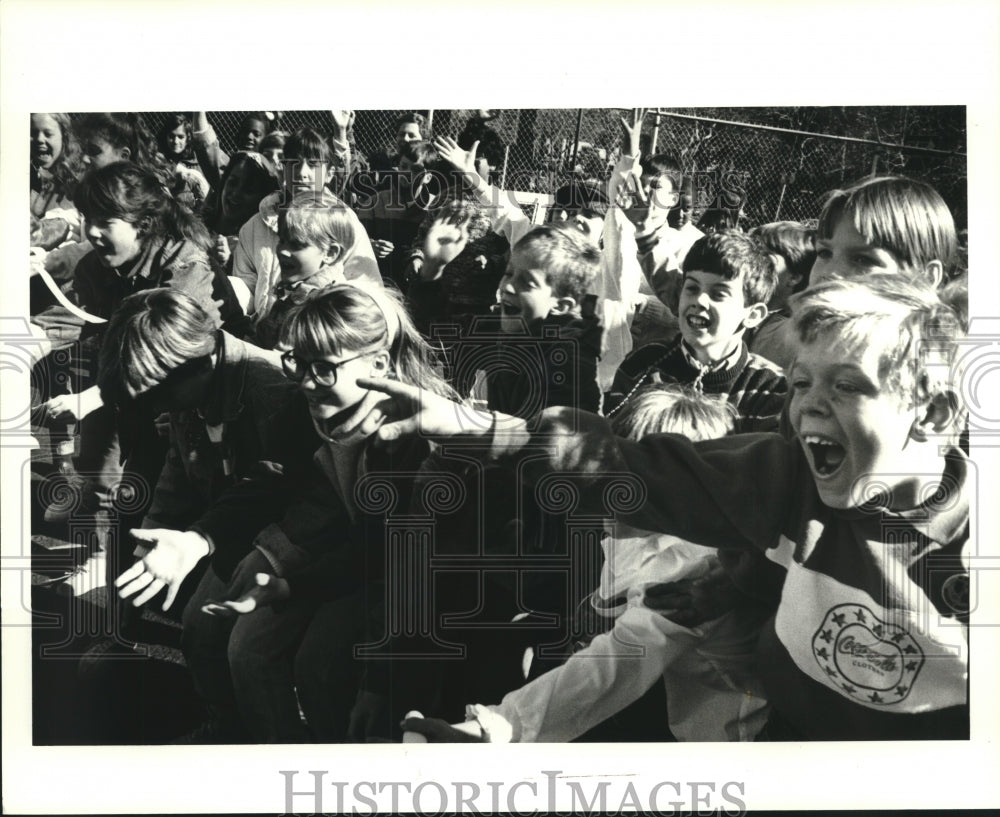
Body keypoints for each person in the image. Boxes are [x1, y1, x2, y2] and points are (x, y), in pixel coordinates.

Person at [360, 272, 969, 742]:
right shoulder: (786, 479)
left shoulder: (972, 556)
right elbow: (635, 472)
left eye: (846, 385)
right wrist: (486, 430)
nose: (808, 406)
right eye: (800, 383)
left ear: (934, 413)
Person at [147, 282, 459, 742]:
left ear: (379, 363)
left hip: (420, 598)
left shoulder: (414, 443)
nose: (308, 381)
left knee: (322, 667)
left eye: (325, 368)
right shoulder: (309, 410)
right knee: (260, 651)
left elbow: (408, 572)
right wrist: (204, 540)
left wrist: (379, 679)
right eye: (299, 363)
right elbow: (275, 484)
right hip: (355, 565)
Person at [403, 384, 770, 743]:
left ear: (673, 494)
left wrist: (497, 726)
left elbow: (612, 668)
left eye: (628, 478)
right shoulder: (630, 532)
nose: (602, 486)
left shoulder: (691, 570)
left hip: (722, 747)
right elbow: (608, 612)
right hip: (660, 709)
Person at [100, 288, 295, 615]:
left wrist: (198, 540)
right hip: (231, 532)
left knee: (235, 648)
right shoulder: (189, 378)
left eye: (159, 396)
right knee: (199, 633)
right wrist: (144, 549)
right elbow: (177, 469)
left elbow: (269, 490)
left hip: (287, 545)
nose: (158, 408)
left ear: (202, 364)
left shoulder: (276, 393)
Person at [607, 230, 787, 434]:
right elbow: (616, 442)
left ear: (753, 315)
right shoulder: (643, 364)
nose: (699, 300)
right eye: (692, 288)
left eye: (719, 294)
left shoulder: (767, 387)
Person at [230, 126, 381, 321]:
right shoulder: (255, 226)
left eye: (313, 164)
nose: (302, 173)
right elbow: (247, 287)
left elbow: (367, 287)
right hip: (266, 335)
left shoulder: (344, 222)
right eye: (294, 163)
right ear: (283, 170)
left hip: (324, 331)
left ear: (329, 173)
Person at [251, 190, 358, 349]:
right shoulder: (295, 291)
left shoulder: (326, 305)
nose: (282, 251)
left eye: (296, 245)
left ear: (330, 253)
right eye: (282, 241)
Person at [745, 220, 816, 370]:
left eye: (766, 260)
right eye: (752, 255)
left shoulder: (788, 333)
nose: (752, 266)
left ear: (794, 277)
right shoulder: (738, 304)